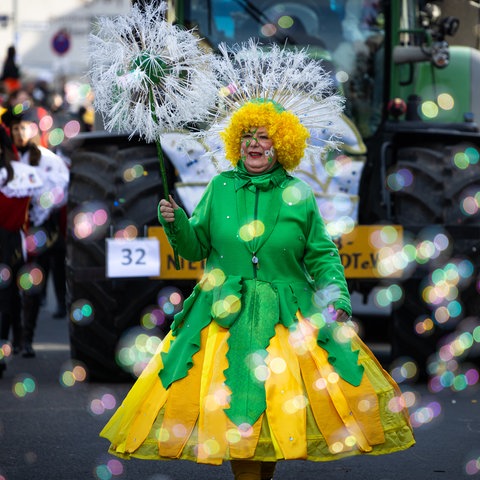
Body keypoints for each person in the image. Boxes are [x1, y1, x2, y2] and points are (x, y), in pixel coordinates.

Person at [99, 96, 415, 477]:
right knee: (237, 410)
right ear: (236, 142)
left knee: (274, 412)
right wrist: (175, 223)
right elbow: (195, 247)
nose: (253, 144)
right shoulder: (219, 187)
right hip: (222, 317)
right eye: (247, 135)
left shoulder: (299, 194)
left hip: (288, 317)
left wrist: (338, 296)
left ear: (281, 144)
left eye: (263, 137)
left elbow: (322, 255)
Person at [4, 110, 69, 357]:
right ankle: (16, 335)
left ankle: (27, 338)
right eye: (16, 128)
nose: (20, 133)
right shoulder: (6, 158)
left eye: (25, 128)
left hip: (38, 228)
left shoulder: (47, 159)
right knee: (10, 286)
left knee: (31, 284)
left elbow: (59, 189)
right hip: (11, 229)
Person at [0, 124, 43, 375]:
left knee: (7, 298)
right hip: (14, 240)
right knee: (8, 298)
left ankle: (16, 342)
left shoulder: (20, 174)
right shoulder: (23, 173)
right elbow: (40, 207)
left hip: (10, 241)